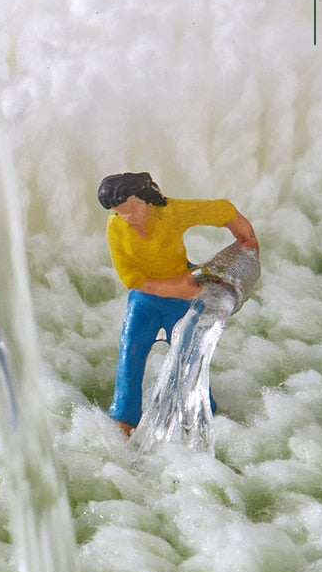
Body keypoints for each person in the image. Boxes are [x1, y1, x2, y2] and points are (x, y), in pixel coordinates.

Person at [97, 171, 258, 436]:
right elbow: (131, 278)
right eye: (119, 212)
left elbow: (220, 210)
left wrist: (247, 237)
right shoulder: (116, 226)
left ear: (145, 199)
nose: (128, 217)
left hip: (182, 301)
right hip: (146, 300)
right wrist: (178, 288)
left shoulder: (171, 212)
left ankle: (204, 413)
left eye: (132, 209)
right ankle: (125, 418)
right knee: (130, 353)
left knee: (191, 358)